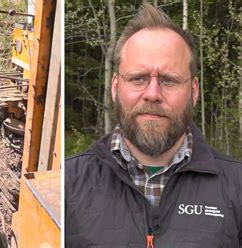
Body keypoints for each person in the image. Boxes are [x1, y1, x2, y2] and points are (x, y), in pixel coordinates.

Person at [65, 3, 242, 248]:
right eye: (138, 78)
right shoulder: (67, 184)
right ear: (115, 87)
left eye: (169, 80)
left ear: (193, 91)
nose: (153, 94)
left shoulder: (237, 186)